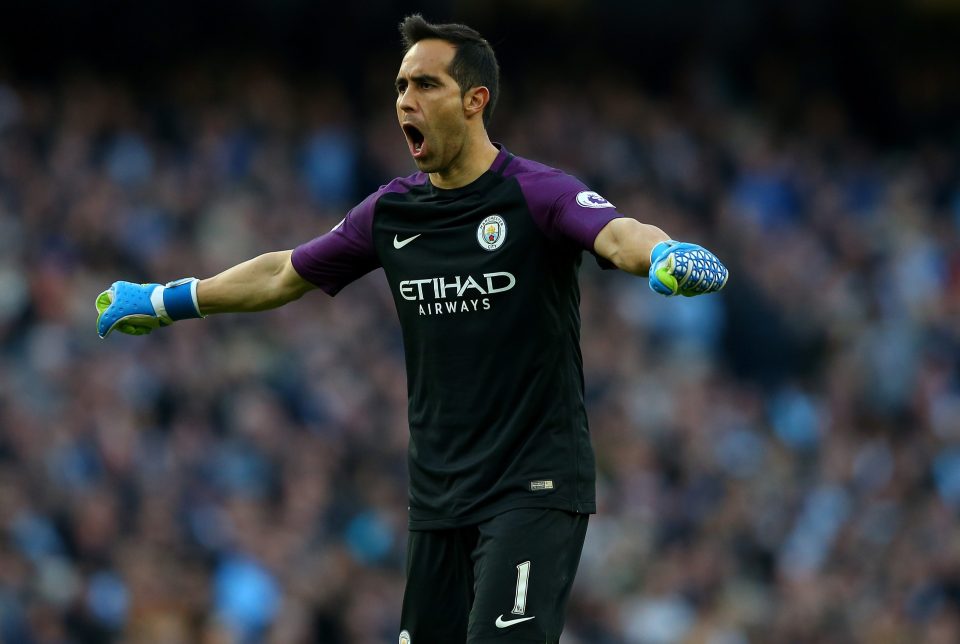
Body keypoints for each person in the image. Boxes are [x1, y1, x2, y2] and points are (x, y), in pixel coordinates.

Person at [96, 14, 728, 644]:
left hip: (533, 485)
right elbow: (282, 274)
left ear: (475, 100)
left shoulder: (536, 194)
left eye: (425, 85)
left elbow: (616, 235)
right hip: (440, 495)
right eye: (401, 86)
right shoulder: (390, 211)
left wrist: (665, 255)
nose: (405, 101)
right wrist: (164, 298)